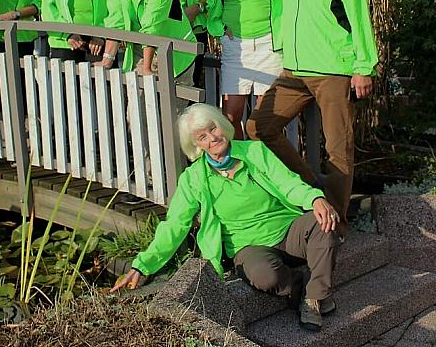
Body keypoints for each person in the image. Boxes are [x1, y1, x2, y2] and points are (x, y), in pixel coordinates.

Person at [111, 103, 340, 332]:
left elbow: (287, 182)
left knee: (324, 221)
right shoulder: (193, 178)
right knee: (265, 276)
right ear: (196, 145)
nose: (212, 137)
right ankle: (303, 287)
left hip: (288, 229)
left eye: (213, 128)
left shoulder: (254, 152)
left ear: (222, 125)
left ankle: (314, 298)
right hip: (248, 246)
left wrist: (314, 199)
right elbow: (175, 224)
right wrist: (142, 266)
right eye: (202, 136)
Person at [245, 0, 378, 235]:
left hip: (333, 69)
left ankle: (337, 223)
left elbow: (360, 19)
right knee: (259, 128)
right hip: (294, 69)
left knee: (338, 149)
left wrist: (364, 66)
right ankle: (310, 190)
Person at [207, 0, 284, 140]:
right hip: (235, 47)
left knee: (264, 119)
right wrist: (219, 28)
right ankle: (242, 165)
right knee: (230, 117)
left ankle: (264, 168)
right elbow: (212, 2)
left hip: (269, 45)